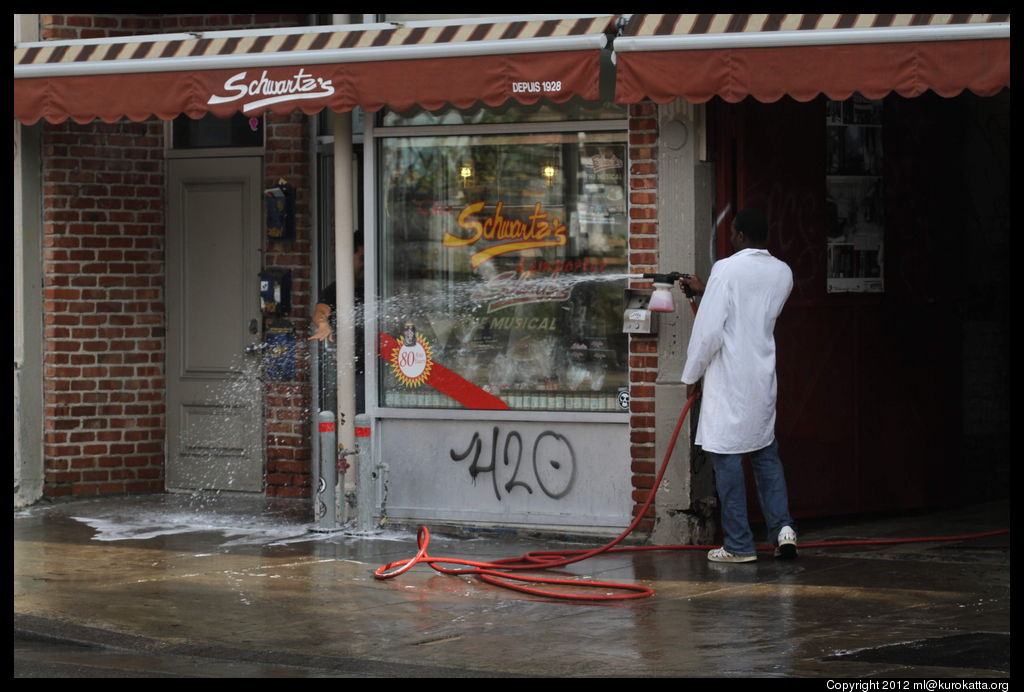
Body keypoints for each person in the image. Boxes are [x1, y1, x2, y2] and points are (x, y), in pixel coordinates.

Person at [679, 209, 798, 563]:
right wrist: (707, 289)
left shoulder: (726, 269)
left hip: (728, 380)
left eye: (732, 233)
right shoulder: (783, 272)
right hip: (761, 378)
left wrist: (691, 374)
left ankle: (739, 544)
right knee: (764, 453)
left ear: (742, 235)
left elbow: (710, 331)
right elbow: (748, 308)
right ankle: (783, 530)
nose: (729, 237)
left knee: (727, 458)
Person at [309, 231, 365, 412]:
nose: (365, 264)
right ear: (349, 257)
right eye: (362, 258)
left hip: (383, 369)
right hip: (354, 373)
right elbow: (320, 311)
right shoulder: (336, 290)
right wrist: (323, 324)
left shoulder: (378, 286)